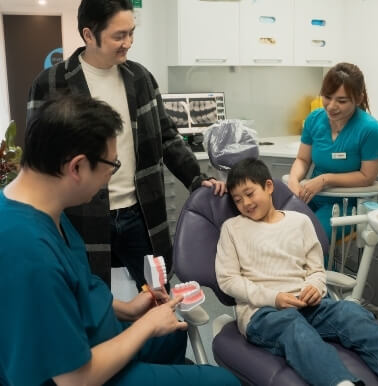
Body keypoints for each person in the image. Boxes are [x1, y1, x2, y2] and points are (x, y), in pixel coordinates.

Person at [0, 94, 239, 386]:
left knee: (174, 335)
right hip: (83, 372)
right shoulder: (27, 251)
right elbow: (73, 380)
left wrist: (130, 309)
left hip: (94, 334)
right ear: (76, 167)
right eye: (111, 166)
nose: (111, 176)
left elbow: (76, 288)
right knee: (223, 381)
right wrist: (146, 326)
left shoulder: (45, 206)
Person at [27, 0, 225, 290]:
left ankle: (157, 338)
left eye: (131, 33)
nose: (128, 43)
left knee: (158, 295)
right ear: (89, 35)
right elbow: (37, 157)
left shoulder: (140, 78)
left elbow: (167, 138)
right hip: (82, 214)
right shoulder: (51, 83)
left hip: (140, 212)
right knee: (89, 300)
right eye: (119, 36)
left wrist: (196, 179)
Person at [215, 158, 378, 386]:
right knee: (294, 327)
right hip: (264, 312)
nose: (245, 203)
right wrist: (273, 298)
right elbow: (228, 280)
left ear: (268, 186)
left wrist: (315, 288)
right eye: (237, 200)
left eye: (249, 193)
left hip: (309, 304)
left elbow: (316, 269)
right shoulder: (233, 229)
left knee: (350, 312)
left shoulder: (300, 222)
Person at [287, 62, 378, 243]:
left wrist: (326, 179)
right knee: (280, 228)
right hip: (312, 195)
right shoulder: (314, 120)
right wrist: (294, 180)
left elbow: (366, 177)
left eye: (341, 101)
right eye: (327, 97)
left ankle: (318, 272)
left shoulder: (371, 131)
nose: (331, 106)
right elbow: (302, 159)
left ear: (358, 98)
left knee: (312, 239)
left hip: (346, 204)